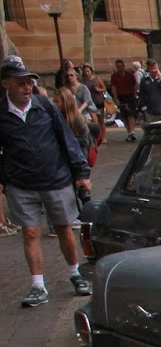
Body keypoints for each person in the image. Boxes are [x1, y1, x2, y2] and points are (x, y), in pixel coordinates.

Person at [0, 57, 93, 307]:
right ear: (6, 83)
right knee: (30, 232)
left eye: (29, 81)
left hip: (56, 178)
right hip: (21, 183)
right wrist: (4, 178)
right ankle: (38, 285)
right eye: (20, 82)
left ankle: (75, 274)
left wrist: (81, 173)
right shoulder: (1, 112)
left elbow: (66, 138)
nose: (27, 86)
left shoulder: (43, 105)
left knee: (63, 228)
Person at [137, 59, 161, 124]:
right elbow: (142, 95)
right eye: (151, 68)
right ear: (148, 69)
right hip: (150, 112)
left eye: (155, 68)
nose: (153, 71)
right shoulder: (144, 80)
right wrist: (144, 109)